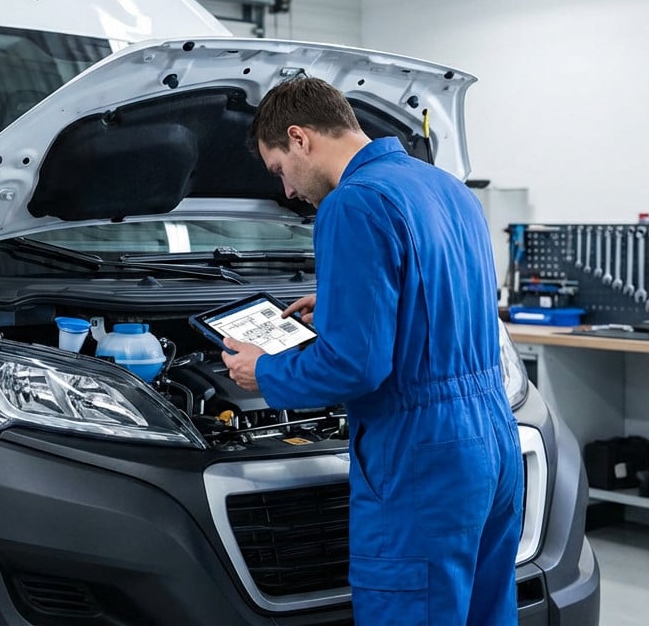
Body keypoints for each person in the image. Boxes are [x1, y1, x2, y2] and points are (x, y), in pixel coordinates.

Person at [221, 77, 523, 625]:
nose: (287, 191)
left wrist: (263, 371)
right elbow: (445, 293)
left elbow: (355, 366)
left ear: (299, 138)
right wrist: (344, 298)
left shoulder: (352, 204)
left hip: (421, 457)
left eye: (278, 170)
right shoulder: (447, 187)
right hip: (494, 440)